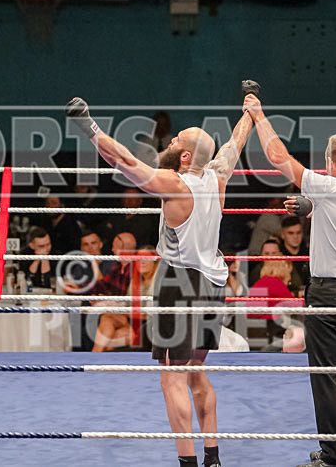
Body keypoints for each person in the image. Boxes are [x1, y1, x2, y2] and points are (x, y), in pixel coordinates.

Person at [66, 80, 256, 467]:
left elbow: (122, 161)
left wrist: (88, 127)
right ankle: (213, 458)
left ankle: (188, 463)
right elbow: (235, 143)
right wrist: (251, 110)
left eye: (176, 141)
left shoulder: (174, 184)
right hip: (214, 283)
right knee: (196, 372)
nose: (169, 142)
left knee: (171, 377)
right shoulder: (218, 176)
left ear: (185, 156)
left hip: (180, 283)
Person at [245, 92, 336, 467]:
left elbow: (277, 157)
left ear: (328, 162)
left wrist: (258, 115)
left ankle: (334, 456)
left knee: (325, 375)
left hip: (327, 293)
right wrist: (313, 205)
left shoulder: (327, 187)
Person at [246, 260, 296, 350]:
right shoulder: (274, 282)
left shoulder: (263, 281)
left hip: (255, 328)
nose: (289, 276)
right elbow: (294, 305)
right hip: (268, 328)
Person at [278, 215, 310, 295]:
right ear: (282, 235)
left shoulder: (310, 254)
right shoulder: (277, 256)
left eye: (298, 233)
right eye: (290, 233)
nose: (295, 237)